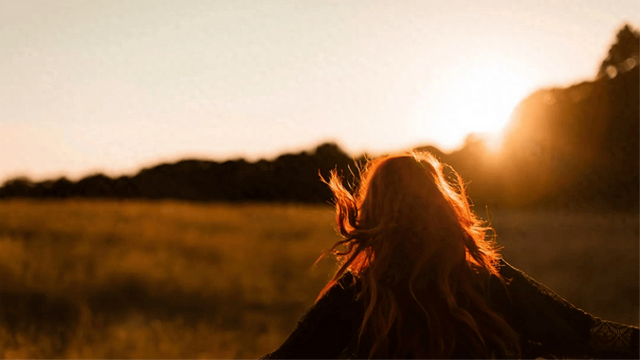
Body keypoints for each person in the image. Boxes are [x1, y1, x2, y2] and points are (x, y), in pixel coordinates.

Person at [258, 152, 640, 360]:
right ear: (442, 209)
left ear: (371, 214)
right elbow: (587, 333)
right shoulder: (489, 280)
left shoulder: (355, 297)